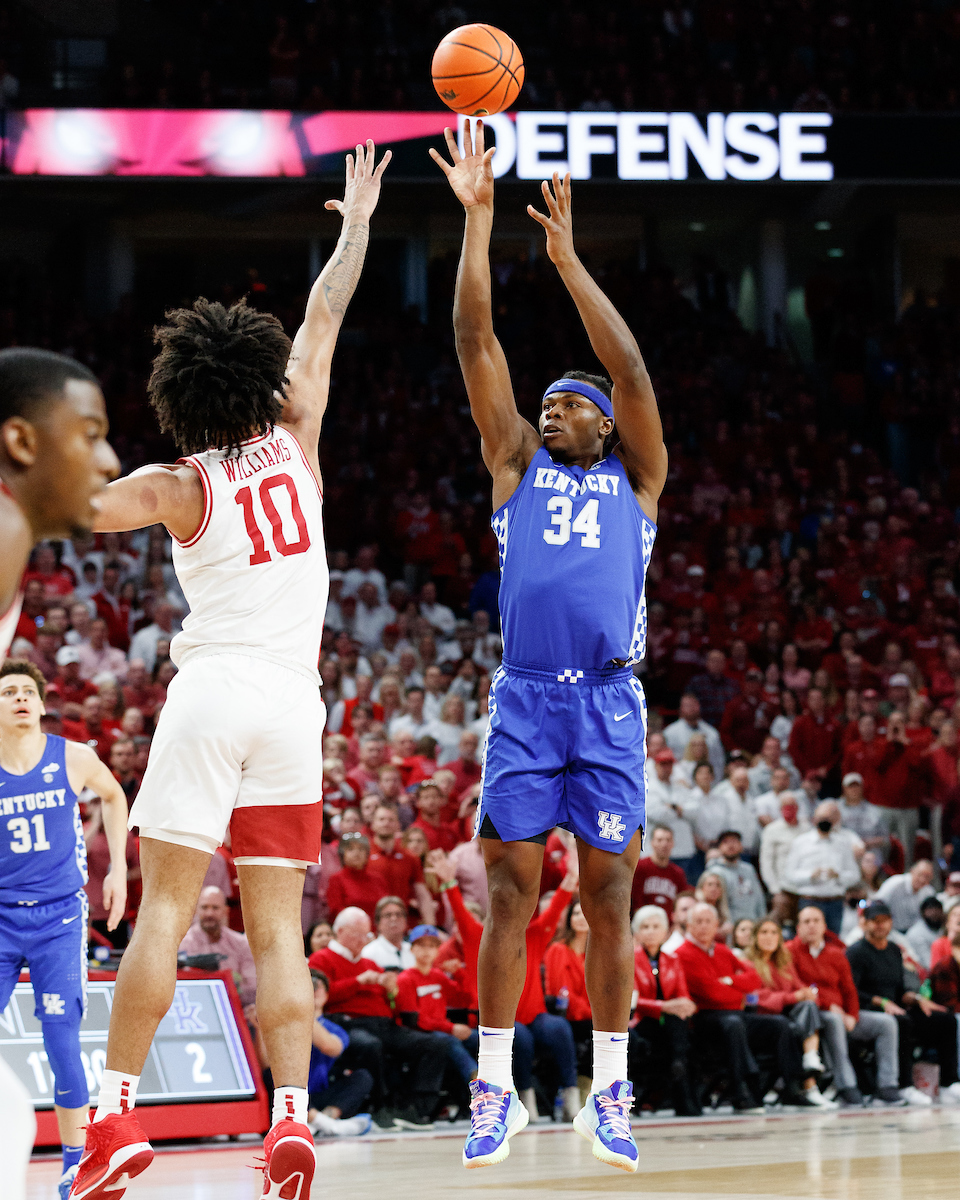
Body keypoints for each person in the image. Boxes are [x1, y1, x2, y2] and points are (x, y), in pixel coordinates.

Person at [69, 142, 392, 1200]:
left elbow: (86, 509)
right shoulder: (298, 436)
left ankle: (115, 1123)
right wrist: (351, 227)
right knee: (277, 932)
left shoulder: (177, 481)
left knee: (163, 911)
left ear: (180, 395)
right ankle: (290, 1125)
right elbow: (325, 316)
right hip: (293, 710)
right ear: (258, 380)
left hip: (211, 694)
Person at [433, 123, 668, 1172]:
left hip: (612, 702)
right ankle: (495, 1090)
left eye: (570, 404)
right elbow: (478, 343)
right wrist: (479, 223)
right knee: (512, 891)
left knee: (611, 894)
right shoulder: (514, 468)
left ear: (607, 427)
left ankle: (608, 1091)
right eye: (547, 402)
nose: (551, 407)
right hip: (528, 700)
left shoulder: (641, 479)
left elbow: (627, 361)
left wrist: (569, 262)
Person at [0, 661, 129, 1200]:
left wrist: (119, 868)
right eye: (9, 692)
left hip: (59, 917)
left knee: (61, 1041)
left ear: (42, 702)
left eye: (28, 691)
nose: (21, 698)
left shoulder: (72, 756)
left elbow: (115, 796)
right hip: (2, 915)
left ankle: (78, 1164)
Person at [308, 906, 449, 1127]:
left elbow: (390, 1002)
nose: (364, 939)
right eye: (358, 934)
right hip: (347, 1023)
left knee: (434, 1045)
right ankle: (381, 1105)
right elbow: (321, 996)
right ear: (341, 932)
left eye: (366, 934)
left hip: (384, 1024)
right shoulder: (321, 959)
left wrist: (392, 990)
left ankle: (417, 1107)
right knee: (370, 1046)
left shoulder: (370, 963)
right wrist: (358, 982)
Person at [676, 903, 805, 1111]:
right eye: (698, 922)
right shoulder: (682, 954)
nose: (704, 926)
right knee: (734, 1024)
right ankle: (740, 1091)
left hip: (734, 1014)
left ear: (717, 925)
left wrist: (728, 982)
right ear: (688, 925)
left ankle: (793, 1088)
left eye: (709, 921)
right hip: (705, 1019)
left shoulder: (722, 950)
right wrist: (735, 988)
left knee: (779, 1025)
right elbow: (712, 994)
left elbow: (754, 979)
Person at [787, 905, 903, 1106]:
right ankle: (847, 1086)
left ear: (825, 926)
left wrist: (852, 1015)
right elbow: (797, 986)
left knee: (886, 1023)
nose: (812, 926)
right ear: (798, 927)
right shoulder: (789, 952)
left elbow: (850, 989)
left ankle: (887, 1085)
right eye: (806, 922)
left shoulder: (836, 953)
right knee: (833, 1021)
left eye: (816, 921)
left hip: (842, 1012)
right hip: (815, 1014)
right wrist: (829, 1006)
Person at [845, 901, 957, 1105]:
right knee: (902, 1022)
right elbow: (851, 991)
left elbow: (899, 990)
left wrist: (917, 999)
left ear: (891, 923)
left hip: (898, 1007)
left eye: (884, 921)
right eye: (874, 921)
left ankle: (948, 1084)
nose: (879, 925)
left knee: (946, 1021)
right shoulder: (856, 952)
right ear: (865, 924)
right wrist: (881, 1001)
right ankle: (904, 1086)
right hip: (868, 1009)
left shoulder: (895, 950)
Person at [743, 918, 833, 1107]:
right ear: (755, 937)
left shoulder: (783, 963)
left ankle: (811, 1059)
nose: (769, 937)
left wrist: (808, 994)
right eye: (764, 932)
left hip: (784, 1017)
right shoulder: (746, 962)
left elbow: (799, 988)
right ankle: (808, 1086)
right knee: (793, 1028)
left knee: (809, 1009)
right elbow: (753, 998)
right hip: (759, 1017)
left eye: (774, 933)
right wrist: (793, 997)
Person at [630, 906, 699, 1117]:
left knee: (679, 1022)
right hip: (641, 1020)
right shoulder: (630, 958)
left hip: (667, 1024)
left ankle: (678, 1063)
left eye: (655, 926)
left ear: (665, 932)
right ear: (637, 932)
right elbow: (632, 1000)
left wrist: (686, 1004)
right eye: (645, 927)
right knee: (676, 1027)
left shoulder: (673, 959)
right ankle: (678, 1065)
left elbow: (683, 994)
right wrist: (664, 1006)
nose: (650, 931)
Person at [395, 924, 478, 1086]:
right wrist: (451, 1028)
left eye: (432, 946)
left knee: (479, 1039)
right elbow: (415, 1020)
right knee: (450, 1041)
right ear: (411, 949)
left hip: (441, 1030)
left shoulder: (438, 976)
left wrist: (458, 973)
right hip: (420, 1034)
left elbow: (466, 999)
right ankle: (476, 1078)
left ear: (438, 950)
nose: (427, 950)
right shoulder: (405, 979)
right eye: (421, 945)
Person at [305, 971, 373, 1138]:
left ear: (326, 995)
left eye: (317, 986)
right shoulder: (284, 1024)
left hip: (321, 1091)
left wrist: (305, 1013)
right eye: (308, 985)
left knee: (362, 1077)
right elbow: (264, 1064)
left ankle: (322, 1122)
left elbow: (330, 1047)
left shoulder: (334, 1028)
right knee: (270, 1076)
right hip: (295, 1093)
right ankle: (329, 1127)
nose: (312, 990)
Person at [782, 802, 862, 934]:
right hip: (810, 900)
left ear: (835, 820)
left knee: (833, 941)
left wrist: (838, 876)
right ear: (814, 819)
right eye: (821, 817)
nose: (825, 821)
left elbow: (855, 875)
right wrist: (810, 876)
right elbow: (789, 874)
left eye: (829, 818)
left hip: (835, 901)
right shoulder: (801, 842)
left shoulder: (843, 843)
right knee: (808, 939)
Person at [179, 886, 257, 1007]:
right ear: (196, 910)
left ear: (226, 911)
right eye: (204, 907)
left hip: (235, 1008)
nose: (209, 913)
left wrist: (232, 985)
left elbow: (252, 987)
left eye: (215, 908)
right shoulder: (181, 944)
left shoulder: (241, 943)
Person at [759, 793, 806, 925]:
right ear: (780, 809)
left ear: (797, 808)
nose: (788, 809)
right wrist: (775, 889)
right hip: (783, 887)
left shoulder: (806, 829)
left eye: (791, 806)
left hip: (804, 888)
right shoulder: (772, 830)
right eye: (785, 807)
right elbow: (766, 862)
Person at [707, 830, 766, 926]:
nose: (730, 845)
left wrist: (762, 920)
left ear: (741, 846)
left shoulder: (748, 869)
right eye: (726, 842)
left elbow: (758, 897)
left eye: (734, 841)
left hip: (752, 921)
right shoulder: (714, 871)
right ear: (719, 847)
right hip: (729, 925)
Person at [663, 694, 726, 781]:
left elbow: (719, 761)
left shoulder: (712, 733)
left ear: (699, 706)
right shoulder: (670, 733)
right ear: (681, 708)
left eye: (694, 705)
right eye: (687, 705)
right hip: (680, 779)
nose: (691, 708)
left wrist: (714, 783)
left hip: (709, 781)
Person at [325, 834, 387, 922]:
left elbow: (385, 907)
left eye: (361, 849)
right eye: (351, 849)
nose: (356, 853)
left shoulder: (378, 879)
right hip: (349, 927)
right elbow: (335, 909)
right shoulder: (336, 879)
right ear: (343, 855)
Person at [630, 825, 688, 918]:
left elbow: (681, 903)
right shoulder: (640, 867)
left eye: (668, 840)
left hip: (668, 926)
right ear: (652, 843)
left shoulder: (678, 873)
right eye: (660, 840)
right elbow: (634, 902)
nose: (664, 844)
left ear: (673, 843)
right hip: (642, 922)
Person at [875, 860, 936, 933]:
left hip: (915, 933)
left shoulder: (929, 892)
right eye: (920, 874)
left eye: (927, 877)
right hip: (892, 931)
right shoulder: (894, 884)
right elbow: (876, 903)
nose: (922, 879)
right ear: (912, 871)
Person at [363, 895, 415, 970]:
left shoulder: (414, 952)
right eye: (388, 915)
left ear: (405, 921)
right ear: (378, 923)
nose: (394, 918)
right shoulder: (369, 953)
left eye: (398, 915)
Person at [905, 896, 945, 971]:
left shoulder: (944, 927)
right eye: (930, 910)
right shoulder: (916, 933)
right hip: (921, 972)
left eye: (937, 909)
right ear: (923, 913)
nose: (934, 913)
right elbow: (929, 964)